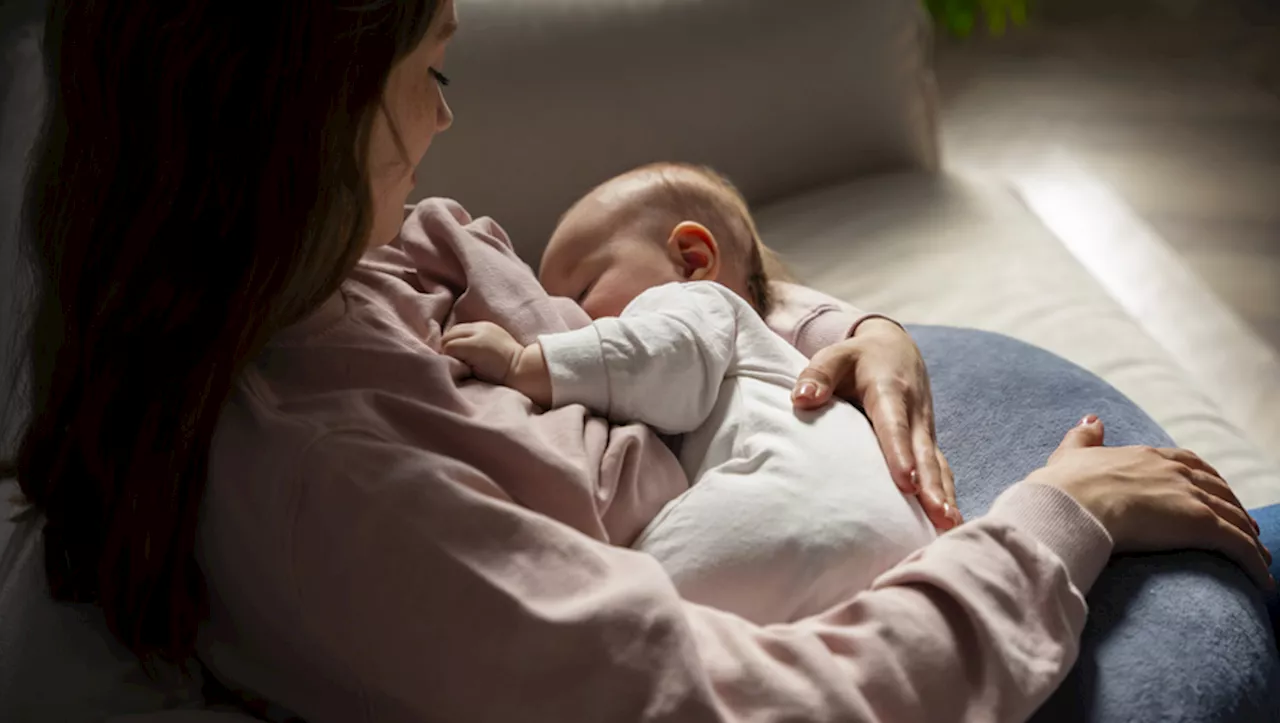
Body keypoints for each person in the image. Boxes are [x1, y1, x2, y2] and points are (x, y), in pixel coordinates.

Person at [8, 1, 1276, 722]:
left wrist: (843, 334)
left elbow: (661, 316)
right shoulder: (329, 494)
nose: (445, 120)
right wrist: (1058, 524)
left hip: (852, 477)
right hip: (927, 611)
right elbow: (740, 702)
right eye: (428, 70)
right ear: (301, 117)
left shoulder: (343, 265)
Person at [442, 162, 937, 624]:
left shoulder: (694, 302)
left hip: (782, 508)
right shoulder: (766, 350)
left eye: (582, 293)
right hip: (897, 538)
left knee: (614, 613)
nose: (570, 320)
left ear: (691, 260)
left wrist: (523, 362)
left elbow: (663, 355)